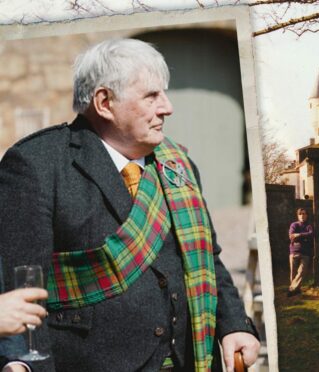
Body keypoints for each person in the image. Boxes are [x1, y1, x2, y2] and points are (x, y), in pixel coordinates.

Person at [0, 38, 259, 372]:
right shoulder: (38, 164)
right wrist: (21, 363)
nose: (167, 107)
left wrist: (233, 324)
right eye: (151, 96)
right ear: (105, 102)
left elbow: (206, 257)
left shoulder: (177, 164)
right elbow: (19, 287)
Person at [287, 208, 314, 296]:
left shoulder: (309, 226)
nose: (302, 216)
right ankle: (296, 290)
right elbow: (291, 236)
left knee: (301, 272)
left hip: (305, 252)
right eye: (300, 214)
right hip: (294, 251)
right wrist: (304, 237)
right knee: (293, 272)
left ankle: (291, 289)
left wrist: (299, 235)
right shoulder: (294, 225)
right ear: (298, 215)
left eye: (304, 214)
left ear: (307, 215)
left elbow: (311, 234)